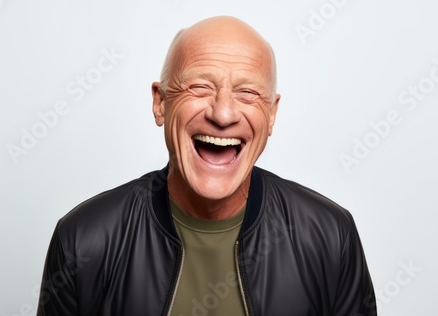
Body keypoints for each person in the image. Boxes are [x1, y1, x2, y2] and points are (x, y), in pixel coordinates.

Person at [37, 16, 376, 316]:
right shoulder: (83, 239)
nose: (223, 113)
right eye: (200, 87)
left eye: (247, 93)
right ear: (160, 103)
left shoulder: (331, 237)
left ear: (272, 114)